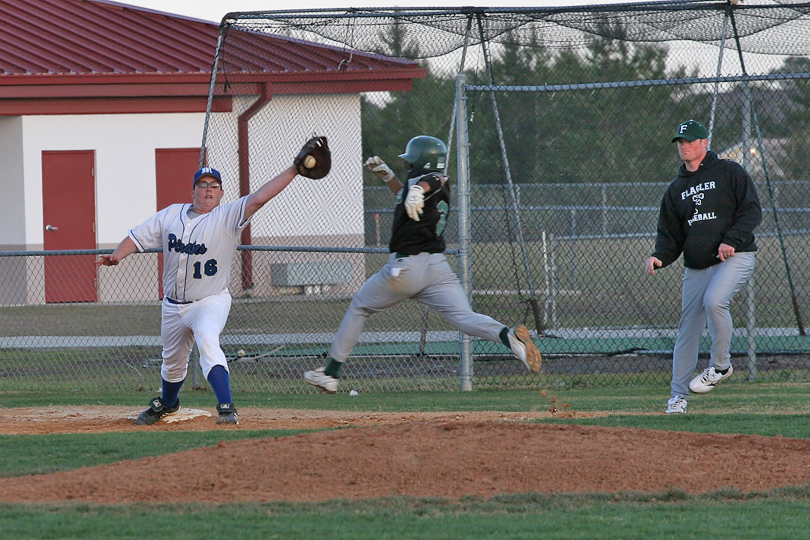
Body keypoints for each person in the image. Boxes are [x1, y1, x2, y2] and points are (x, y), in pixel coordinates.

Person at [303, 135, 541, 393]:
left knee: (360, 307)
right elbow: (409, 196)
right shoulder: (426, 185)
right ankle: (510, 338)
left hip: (405, 269)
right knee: (464, 318)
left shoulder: (429, 180)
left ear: (420, 161)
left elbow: (431, 181)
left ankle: (330, 374)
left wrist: (417, 189)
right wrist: (388, 178)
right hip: (437, 269)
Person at [98, 163, 300, 425]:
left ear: (221, 193)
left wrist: (294, 169)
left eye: (214, 186)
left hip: (210, 300)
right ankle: (168, 404)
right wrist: (117, 256)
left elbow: (260, 197)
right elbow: (137, 237)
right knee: (172, 363)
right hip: (173, 305)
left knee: (207, 338)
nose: (208, 190)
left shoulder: (227, 216)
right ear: (193, 190)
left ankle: (226, 407)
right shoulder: (170, 215)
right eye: (203, 184)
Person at [645, 120, 762, 414]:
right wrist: (659, 256)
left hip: (734, 256)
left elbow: (751, 210)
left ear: (704, 143)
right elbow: (670, 235)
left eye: (689, 141)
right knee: (688, 330)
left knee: (714, 301)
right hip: (697, 266)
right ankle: (677, 396)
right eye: (680, 142)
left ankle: (720, 366)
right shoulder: (676, 189)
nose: (684, 146)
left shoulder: (729, 172)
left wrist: (731, 239)